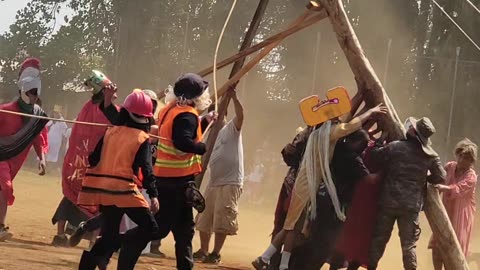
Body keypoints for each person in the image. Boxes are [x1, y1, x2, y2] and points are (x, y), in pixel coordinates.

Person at [253, 103, 387, 270]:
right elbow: (352, 125)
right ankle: (277, 263)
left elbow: (350, 127)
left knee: (292, 225)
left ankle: (268, 259)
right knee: (292, 226)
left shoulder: (318, 133)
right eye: (335, 117)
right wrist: (371, 111)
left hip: (305, 183)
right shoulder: (328, 133)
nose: (338, 119)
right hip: (306, 185)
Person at [76, 89, 159, 270]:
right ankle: (125, 250)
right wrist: (153, 194)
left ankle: (89, 265)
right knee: (150, 229)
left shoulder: (110, 132)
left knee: (109, 236)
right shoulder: (141, 138)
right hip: (124, 191)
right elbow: (146, 168)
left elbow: (93, 159)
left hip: (103, 191)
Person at [154, 73, 215, 270]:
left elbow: (180, 133)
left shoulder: (171, 110)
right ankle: (115, 243)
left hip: (168, 178)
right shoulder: (187, 114)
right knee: (159, 229)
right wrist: (202, 148)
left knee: (184, 231)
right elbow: (182, 142)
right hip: (177, 181)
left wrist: (204, 121)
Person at [368, 117, 446, 270]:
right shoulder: (431, 156)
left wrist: (381, 139)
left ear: (413, 131)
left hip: (388, 201)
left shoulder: (396, 147)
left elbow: (375, 156)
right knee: (408, 245)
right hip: (411, 206)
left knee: (378, 240)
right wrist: (424, 177)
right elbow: (441, 177)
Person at [51, 70, 119, 246]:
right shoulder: (95, 109)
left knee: (76, 197)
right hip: (90, 165)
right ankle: (88, 240)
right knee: (92, 201)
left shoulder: (95, 108)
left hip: (87, 165)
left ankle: (72, 236)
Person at [193, 88, 244, 264]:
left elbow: (241, 116)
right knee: (203, 216)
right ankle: (203, 249)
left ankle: (215, 253)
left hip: (230, 181)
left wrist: (235, 98)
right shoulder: (208, 133)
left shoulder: (231, 128)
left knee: (223, 218)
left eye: (219, 113)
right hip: (213, 182)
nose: (215, 116)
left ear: (224, 114)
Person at [0, 58, 48, 241]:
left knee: (2, 189)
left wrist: (41, 158)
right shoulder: (6, 111)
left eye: (36, 92)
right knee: (5, 187)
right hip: (1, 158)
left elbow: (37, 139)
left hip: (15, 161)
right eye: (31, 92)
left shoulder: (36, 115)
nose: (34, 96)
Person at [329, 138, 384, 270]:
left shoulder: (362, 150)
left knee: (350, 240)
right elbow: (370, 179)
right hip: (360, 203)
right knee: (352, 240)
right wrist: (384, 172)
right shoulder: (360, 155)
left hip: (360, 202)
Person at [430, 138, 477, 270]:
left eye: (466, 158)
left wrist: (444, 188)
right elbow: (439, 177)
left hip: (461, 215)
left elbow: (459, 188)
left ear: (471, 161)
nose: (462, 160)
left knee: (454, 248)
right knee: (437, 244)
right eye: (461, 155)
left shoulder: (471, 176)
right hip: (446, 209)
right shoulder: (450, 166)